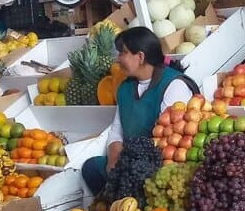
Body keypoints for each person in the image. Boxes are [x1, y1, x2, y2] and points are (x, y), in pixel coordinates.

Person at [82, 26, 197, 194]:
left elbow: (169, 138)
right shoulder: (125, 88)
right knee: (91, 167)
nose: (118, 59)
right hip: (129, 160)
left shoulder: (174, 85)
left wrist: (135, 166)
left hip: (160, 163)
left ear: (140, 57)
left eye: (122, 53)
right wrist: (113, 161)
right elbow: (117, 131)